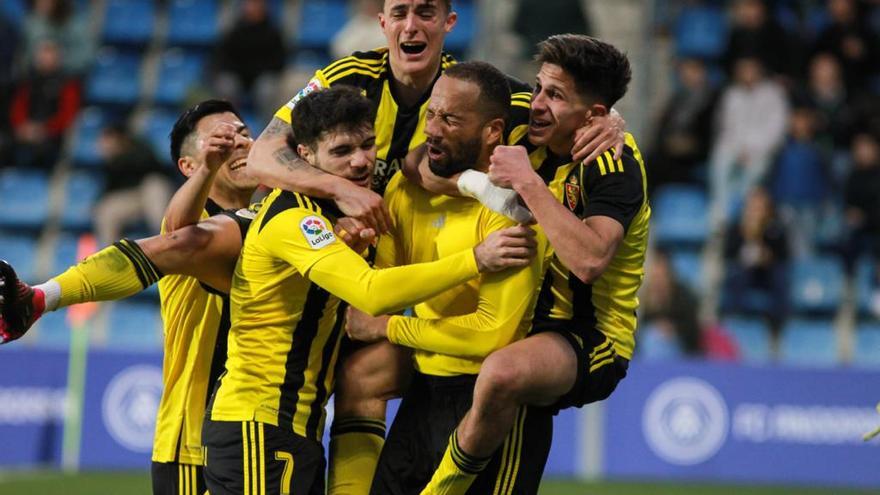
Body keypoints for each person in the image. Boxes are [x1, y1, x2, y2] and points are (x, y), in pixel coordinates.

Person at [200, 85, 526, 495]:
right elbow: (371, 295)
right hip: (257, 423)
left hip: (293, 424)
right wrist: (474, 260)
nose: (360, 161)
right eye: (341, 152)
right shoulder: (294, 217)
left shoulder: (337, 213)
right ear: (305, 158)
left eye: (368, 145)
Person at [419, 34, 649, 494]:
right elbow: (427, 166)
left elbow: (589, 260)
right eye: (540, 87)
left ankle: (441, 489)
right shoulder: (527, 116)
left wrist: (527, 183)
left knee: (502, 372)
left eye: (555, 95)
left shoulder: (613, 164)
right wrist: (481, 185)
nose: (537, 104)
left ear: (596, 116)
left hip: (588, 334)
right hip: (524, 321)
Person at [1, 99, 260, 495]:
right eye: (220, 140)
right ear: (190, 166)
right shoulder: (192, 230)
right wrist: (44, 296)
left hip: (258, 431)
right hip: (192, 442)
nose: (238, 143)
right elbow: (173, 232)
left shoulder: (268, 221)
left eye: (243, 132)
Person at [344, 61, 553, 495]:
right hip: (424, 390)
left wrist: (389, 326)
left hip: (494, 406)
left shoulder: (513, 211)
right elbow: (370, 297)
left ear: (494, 131)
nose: (433, 130)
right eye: (431, 115)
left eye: (451, 119)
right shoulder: (404, 191)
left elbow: (489, 337)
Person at [708, 56, 788, 225]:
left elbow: (776, 131)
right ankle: (721, 211)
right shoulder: (732, 94)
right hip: (735, 147)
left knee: (755, 169)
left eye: (751, 69)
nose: (747, 74)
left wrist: (751, 149)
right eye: (743, 69)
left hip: (762, 150)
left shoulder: (773, 94)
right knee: (720, 159)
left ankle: (742, 211)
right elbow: (727, 127)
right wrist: (739, 149)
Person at [93, 123, 174, 245]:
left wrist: (119, 157)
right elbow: (109, 191)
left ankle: (168, 240)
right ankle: (111, 256)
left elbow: (153, 169)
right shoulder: (109, 162)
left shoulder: (139, 147)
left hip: (154, 194)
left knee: (153, 185)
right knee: (105, 210)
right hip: (132, 200)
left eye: (109, 139)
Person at [9, 38, 80, 171]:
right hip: (26, 131)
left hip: (52, 135)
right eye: (43, 55)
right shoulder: (28, 80)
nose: (46, 59)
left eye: (50, 55)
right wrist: (22, 126)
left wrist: (45, 129)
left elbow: (68, 115)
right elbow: (18, 107)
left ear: (58, 58)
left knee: (43, 151)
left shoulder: (68, 83)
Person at [212, 0, 286, 121]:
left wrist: (260, 71)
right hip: (237, 75)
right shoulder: (234, 30)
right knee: (226, 85)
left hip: (261, 77)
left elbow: (279, 62)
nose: (252, 8)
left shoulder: (273, 32)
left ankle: (266, 128)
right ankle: (227, 123)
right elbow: (223, 57)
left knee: (266, 89)